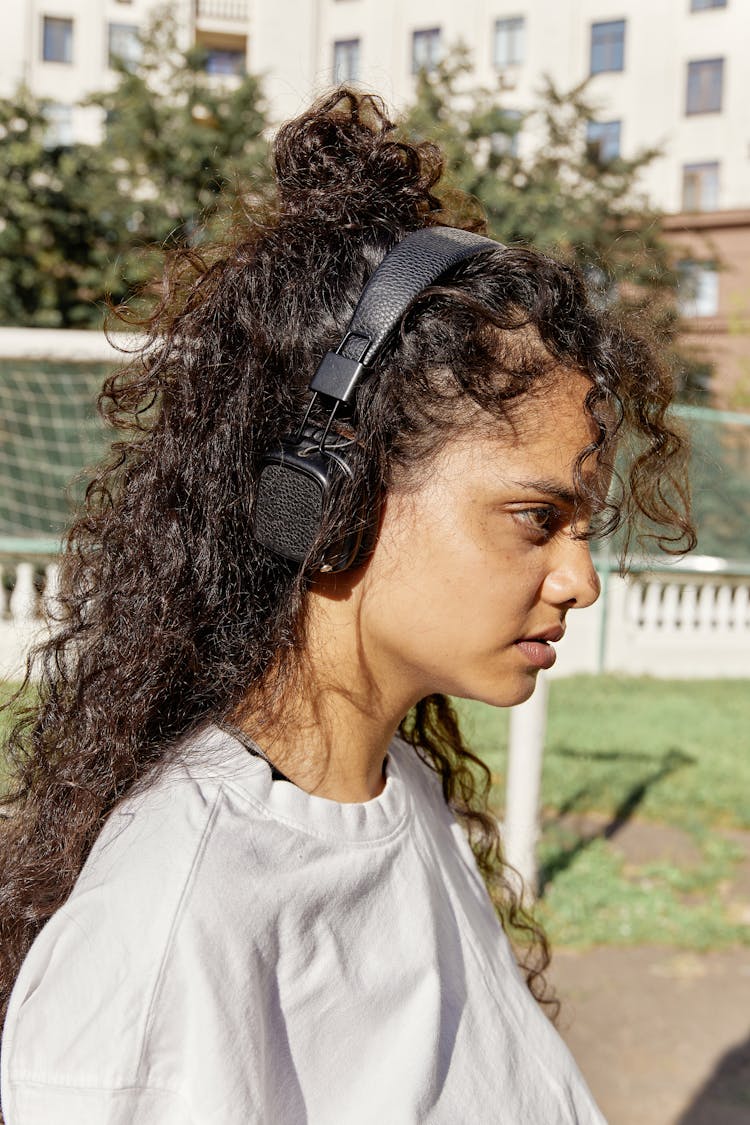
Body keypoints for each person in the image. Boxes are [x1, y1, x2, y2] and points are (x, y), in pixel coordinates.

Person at [0, 89, 693, 1124]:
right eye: (535, 519)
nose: (579, 581)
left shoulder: (398, 795)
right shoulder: (171, 924)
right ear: (326, 499)